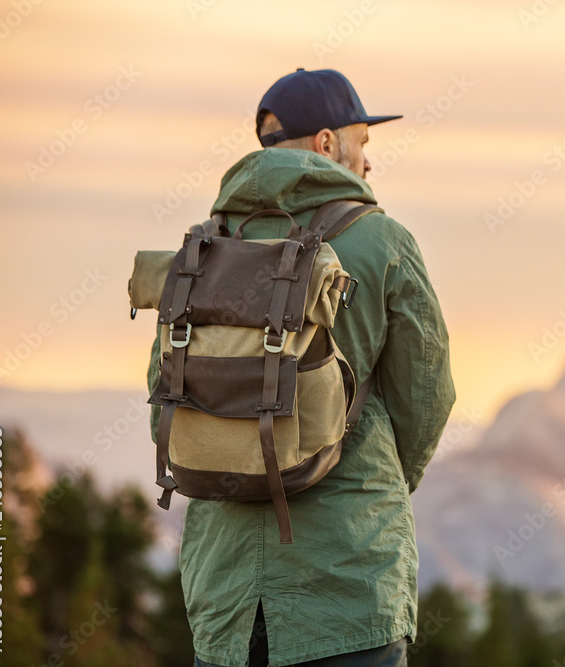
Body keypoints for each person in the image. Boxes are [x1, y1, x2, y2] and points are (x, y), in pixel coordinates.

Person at [146, 68, 456, 667]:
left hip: (225, 595)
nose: (368, 163)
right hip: (347, 586)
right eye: (362, 143)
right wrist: (373, 489)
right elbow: (427, 397)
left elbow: (163, 390)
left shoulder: (203, 249)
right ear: (326, 144)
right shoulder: (384, 242)